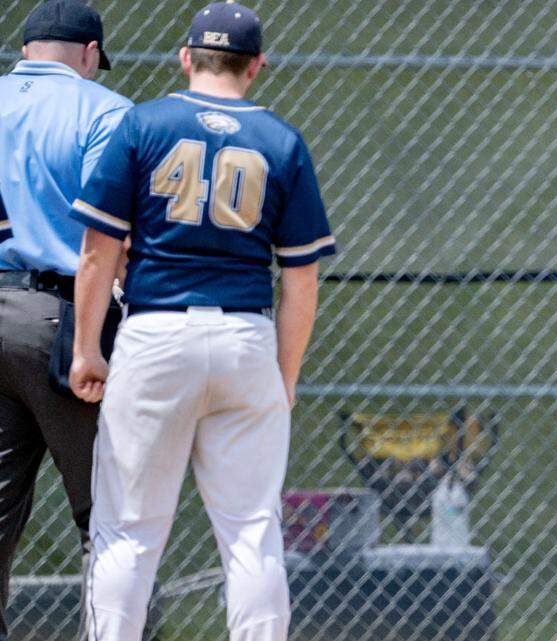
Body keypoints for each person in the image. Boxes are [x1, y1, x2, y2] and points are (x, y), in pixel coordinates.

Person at [67, 3, 336, 639]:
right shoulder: (280, 140)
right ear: (258, 66)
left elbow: (98, 252)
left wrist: (85, 348)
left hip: (156, 332)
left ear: (185, 57)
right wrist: (284, 376)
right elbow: (300, 278)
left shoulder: (143, 126)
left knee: (129, 529)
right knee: (251, 530)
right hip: (245, 333)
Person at [0, 1, 130, 635]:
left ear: (25, 51)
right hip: (61, 319)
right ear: (87, 54)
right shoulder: (103, 109)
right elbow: (107, 239)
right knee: (109, 517)